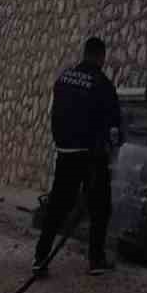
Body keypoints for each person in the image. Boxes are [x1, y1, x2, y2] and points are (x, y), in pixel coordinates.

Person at [33, 36, 123, 277]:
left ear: (84, 54)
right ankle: (96, 260)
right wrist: (114, 145)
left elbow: (55, 112)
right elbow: (115, 128)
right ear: (101, 57)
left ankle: (40, 257)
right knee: (100, 207)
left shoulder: (63, 79)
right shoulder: (102, 84)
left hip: (65, 153)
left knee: (58, 207)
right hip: (91, 156)